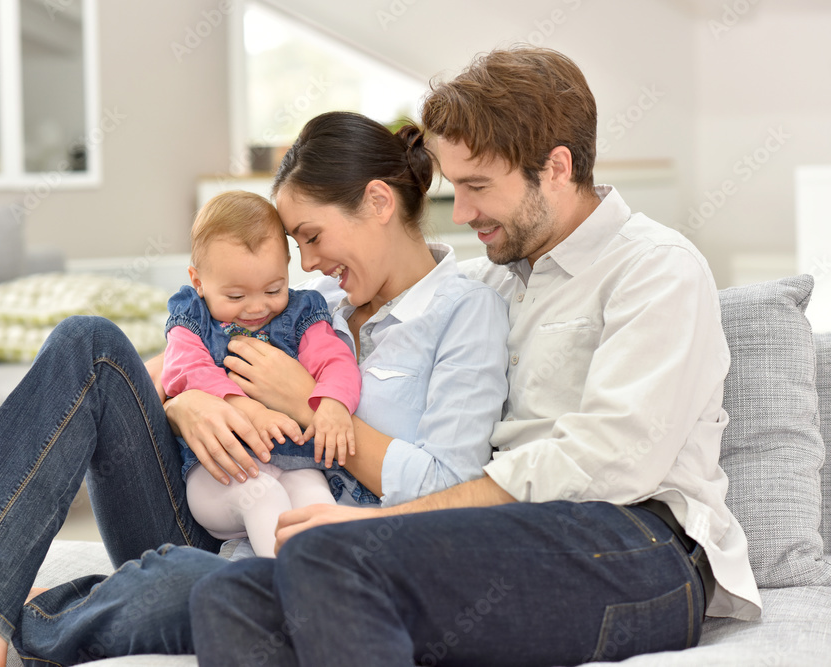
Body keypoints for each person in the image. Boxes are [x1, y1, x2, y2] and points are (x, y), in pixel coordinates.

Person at [0, 112, 509, 665]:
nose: (304, 262)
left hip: (305, 552)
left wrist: (307, 397)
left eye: (310, 235)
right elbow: (169, 370)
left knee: (196, 585)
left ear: (379, 203)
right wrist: (187, 403)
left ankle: (8, 614)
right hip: (208, 502)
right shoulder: (310, 296)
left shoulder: (463, 310)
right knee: (88, 342)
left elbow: (449, 490)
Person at [187, 46, 763, 667]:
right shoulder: (487, 284)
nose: (459, 214)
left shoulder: (654, 268)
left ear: (557, 168)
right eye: (454, 187)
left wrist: (393, 522)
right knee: (229, 597)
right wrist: (192, 393)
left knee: (332, 556)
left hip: (633, 544)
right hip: (504, 536)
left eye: (477, 187)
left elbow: (611, 460)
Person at [163, 189, 362, 557]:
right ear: (199, 281)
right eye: (236, 297)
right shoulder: (192, 316)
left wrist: (334, 402)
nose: (256, 307)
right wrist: (248, 409)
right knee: (264, 496)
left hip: (295, 462)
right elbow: (185, 371)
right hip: (221, 474)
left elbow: (335, 359)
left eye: (274, 288)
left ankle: (326, 585)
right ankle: (284, 587)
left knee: (316, 499)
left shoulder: (303, 313)